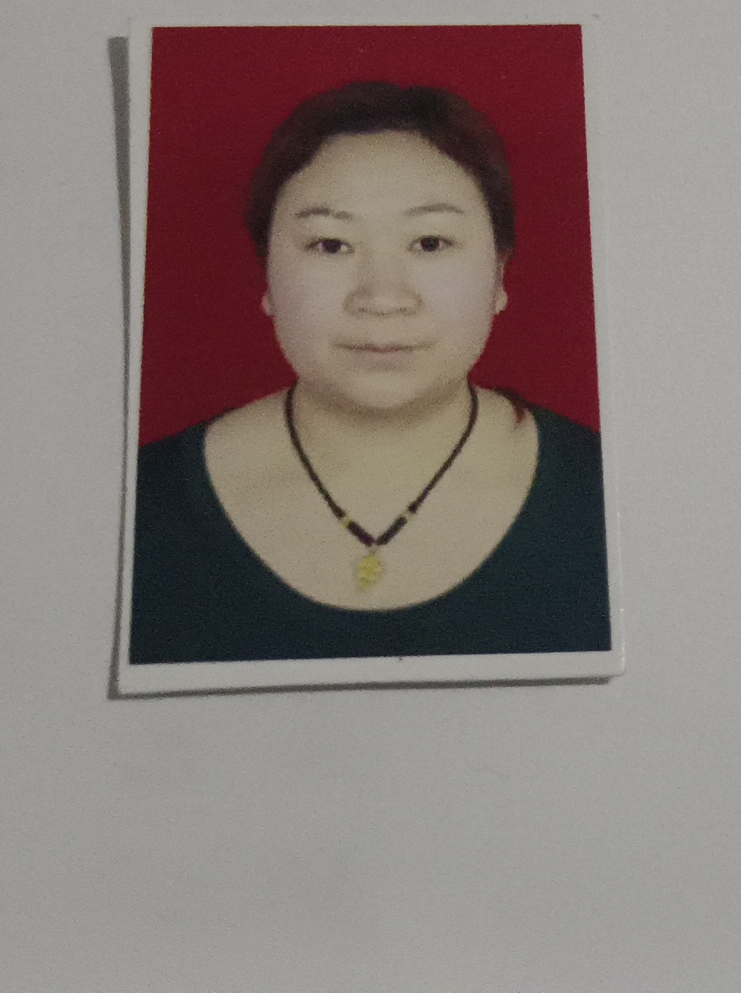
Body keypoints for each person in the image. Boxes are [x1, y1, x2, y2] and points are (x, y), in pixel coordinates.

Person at [128, 82, 612, 664]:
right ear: (268, 277)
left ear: (499, 274)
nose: (382, 297)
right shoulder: (134, 508)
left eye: (429, 242)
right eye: (331, 245)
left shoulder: (612, 497)